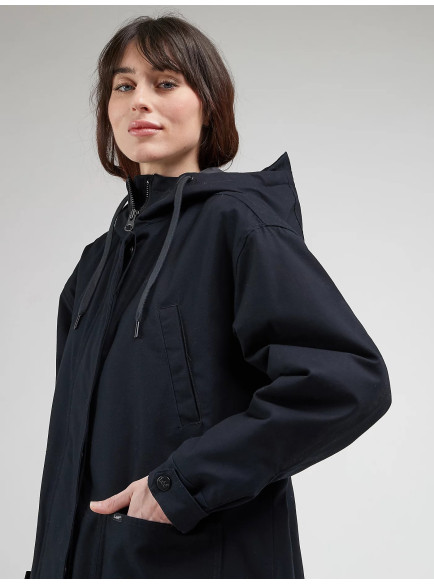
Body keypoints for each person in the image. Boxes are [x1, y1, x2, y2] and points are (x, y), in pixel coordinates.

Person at [25, 14, 392, 579]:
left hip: (201, 559)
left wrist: (183, 485)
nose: (139, 100)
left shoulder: (239, 225)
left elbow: (346, 381)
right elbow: (72, 448)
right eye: (123, 86)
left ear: (209, 104)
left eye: (165, 82)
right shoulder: (93, 266)